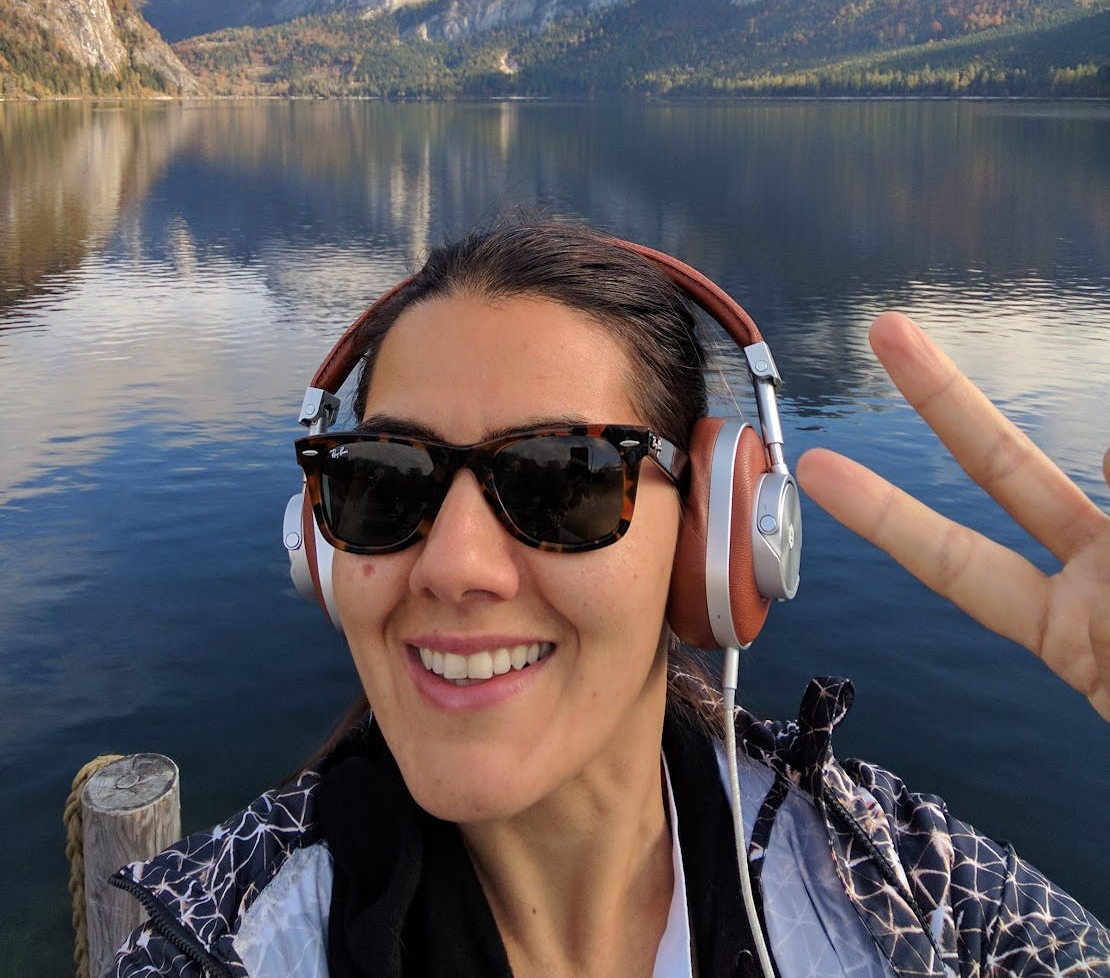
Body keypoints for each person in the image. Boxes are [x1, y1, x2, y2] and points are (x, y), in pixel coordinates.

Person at [109, 219, 1110, 978]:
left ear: (714, 539)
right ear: (321, 550)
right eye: (384, 480)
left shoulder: (904, 892)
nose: (453, 566)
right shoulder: (224, 938)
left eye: (565, 480)